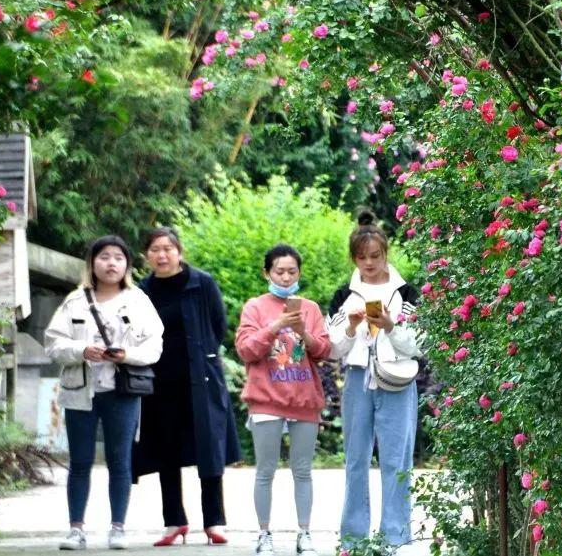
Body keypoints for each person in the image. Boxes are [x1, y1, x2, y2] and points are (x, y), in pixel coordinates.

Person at [45, 235, 164, 550]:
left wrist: (125, 354)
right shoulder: (75, 300)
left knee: (120, 460)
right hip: (80, 392)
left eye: (118, 257)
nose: (111, 263)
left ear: (126, 264)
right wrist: (82, 349)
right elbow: (53, 343)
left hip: (122, 391)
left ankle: (118, 528)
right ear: (92, 263)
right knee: (80, 461)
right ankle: (76, 529)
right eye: (104, 257)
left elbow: (154, 346)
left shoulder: (138, 300)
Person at [132, 227, 241, 546]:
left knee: (208, 450)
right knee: (166, 450)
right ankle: (174, 521)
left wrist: (201, 357)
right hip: (158, 381)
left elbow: (219, 326)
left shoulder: (201, 283)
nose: (162, 255)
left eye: (168, 248)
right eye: (155, 249)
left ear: (179, 251)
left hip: (200, 380)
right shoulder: (142, 290)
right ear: (147, 256)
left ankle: (215, 521)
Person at [326, 210, 421, 550]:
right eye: (362, 257)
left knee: (397, 459)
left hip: (397, 380)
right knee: (355, 458)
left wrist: (391, 325)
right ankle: (352, 538)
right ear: (354, 258)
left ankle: (393, 536)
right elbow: (333, 348)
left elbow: (419, 345)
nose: (369, 263)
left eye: (375, 256)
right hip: (357, 379)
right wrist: (352, 326)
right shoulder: (344, 295)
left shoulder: (406, 293)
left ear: (386, 254)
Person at [235, 244, 331, 556]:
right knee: (265, 471)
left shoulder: (312, 309)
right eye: (279, 271)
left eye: (292, 271)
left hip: (304, 400)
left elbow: (324, 352)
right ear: (267, 273)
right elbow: (246, 350)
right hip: (265, 399)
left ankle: (305, 534)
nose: (286, 277)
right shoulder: (255, 307)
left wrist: (304, 329)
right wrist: (275, 326)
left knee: (302, 470)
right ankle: (264, 535)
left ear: (299, 273)